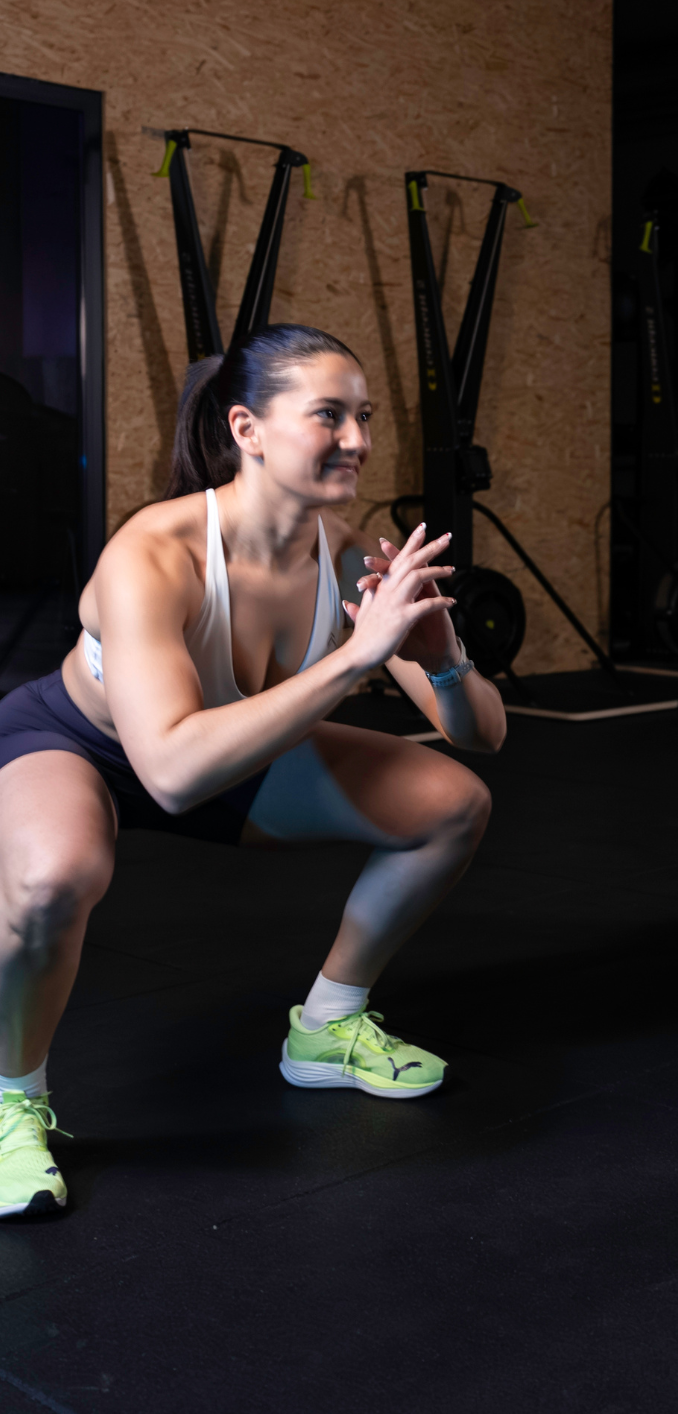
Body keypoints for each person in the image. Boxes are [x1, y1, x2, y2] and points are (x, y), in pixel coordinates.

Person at [0, 325, 506, 1219]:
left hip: (226, 747)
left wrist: (442, 655)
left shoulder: (351, 556)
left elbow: (481, 737)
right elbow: (167, 774)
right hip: (81, 743)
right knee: (54, 879)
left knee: (453, 804)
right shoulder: (153, 553)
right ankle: (11, 1101)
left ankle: (326, 1026)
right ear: (248, 428)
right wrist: (355, 661)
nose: (357, 439)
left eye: (363, 417)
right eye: (328, 416)